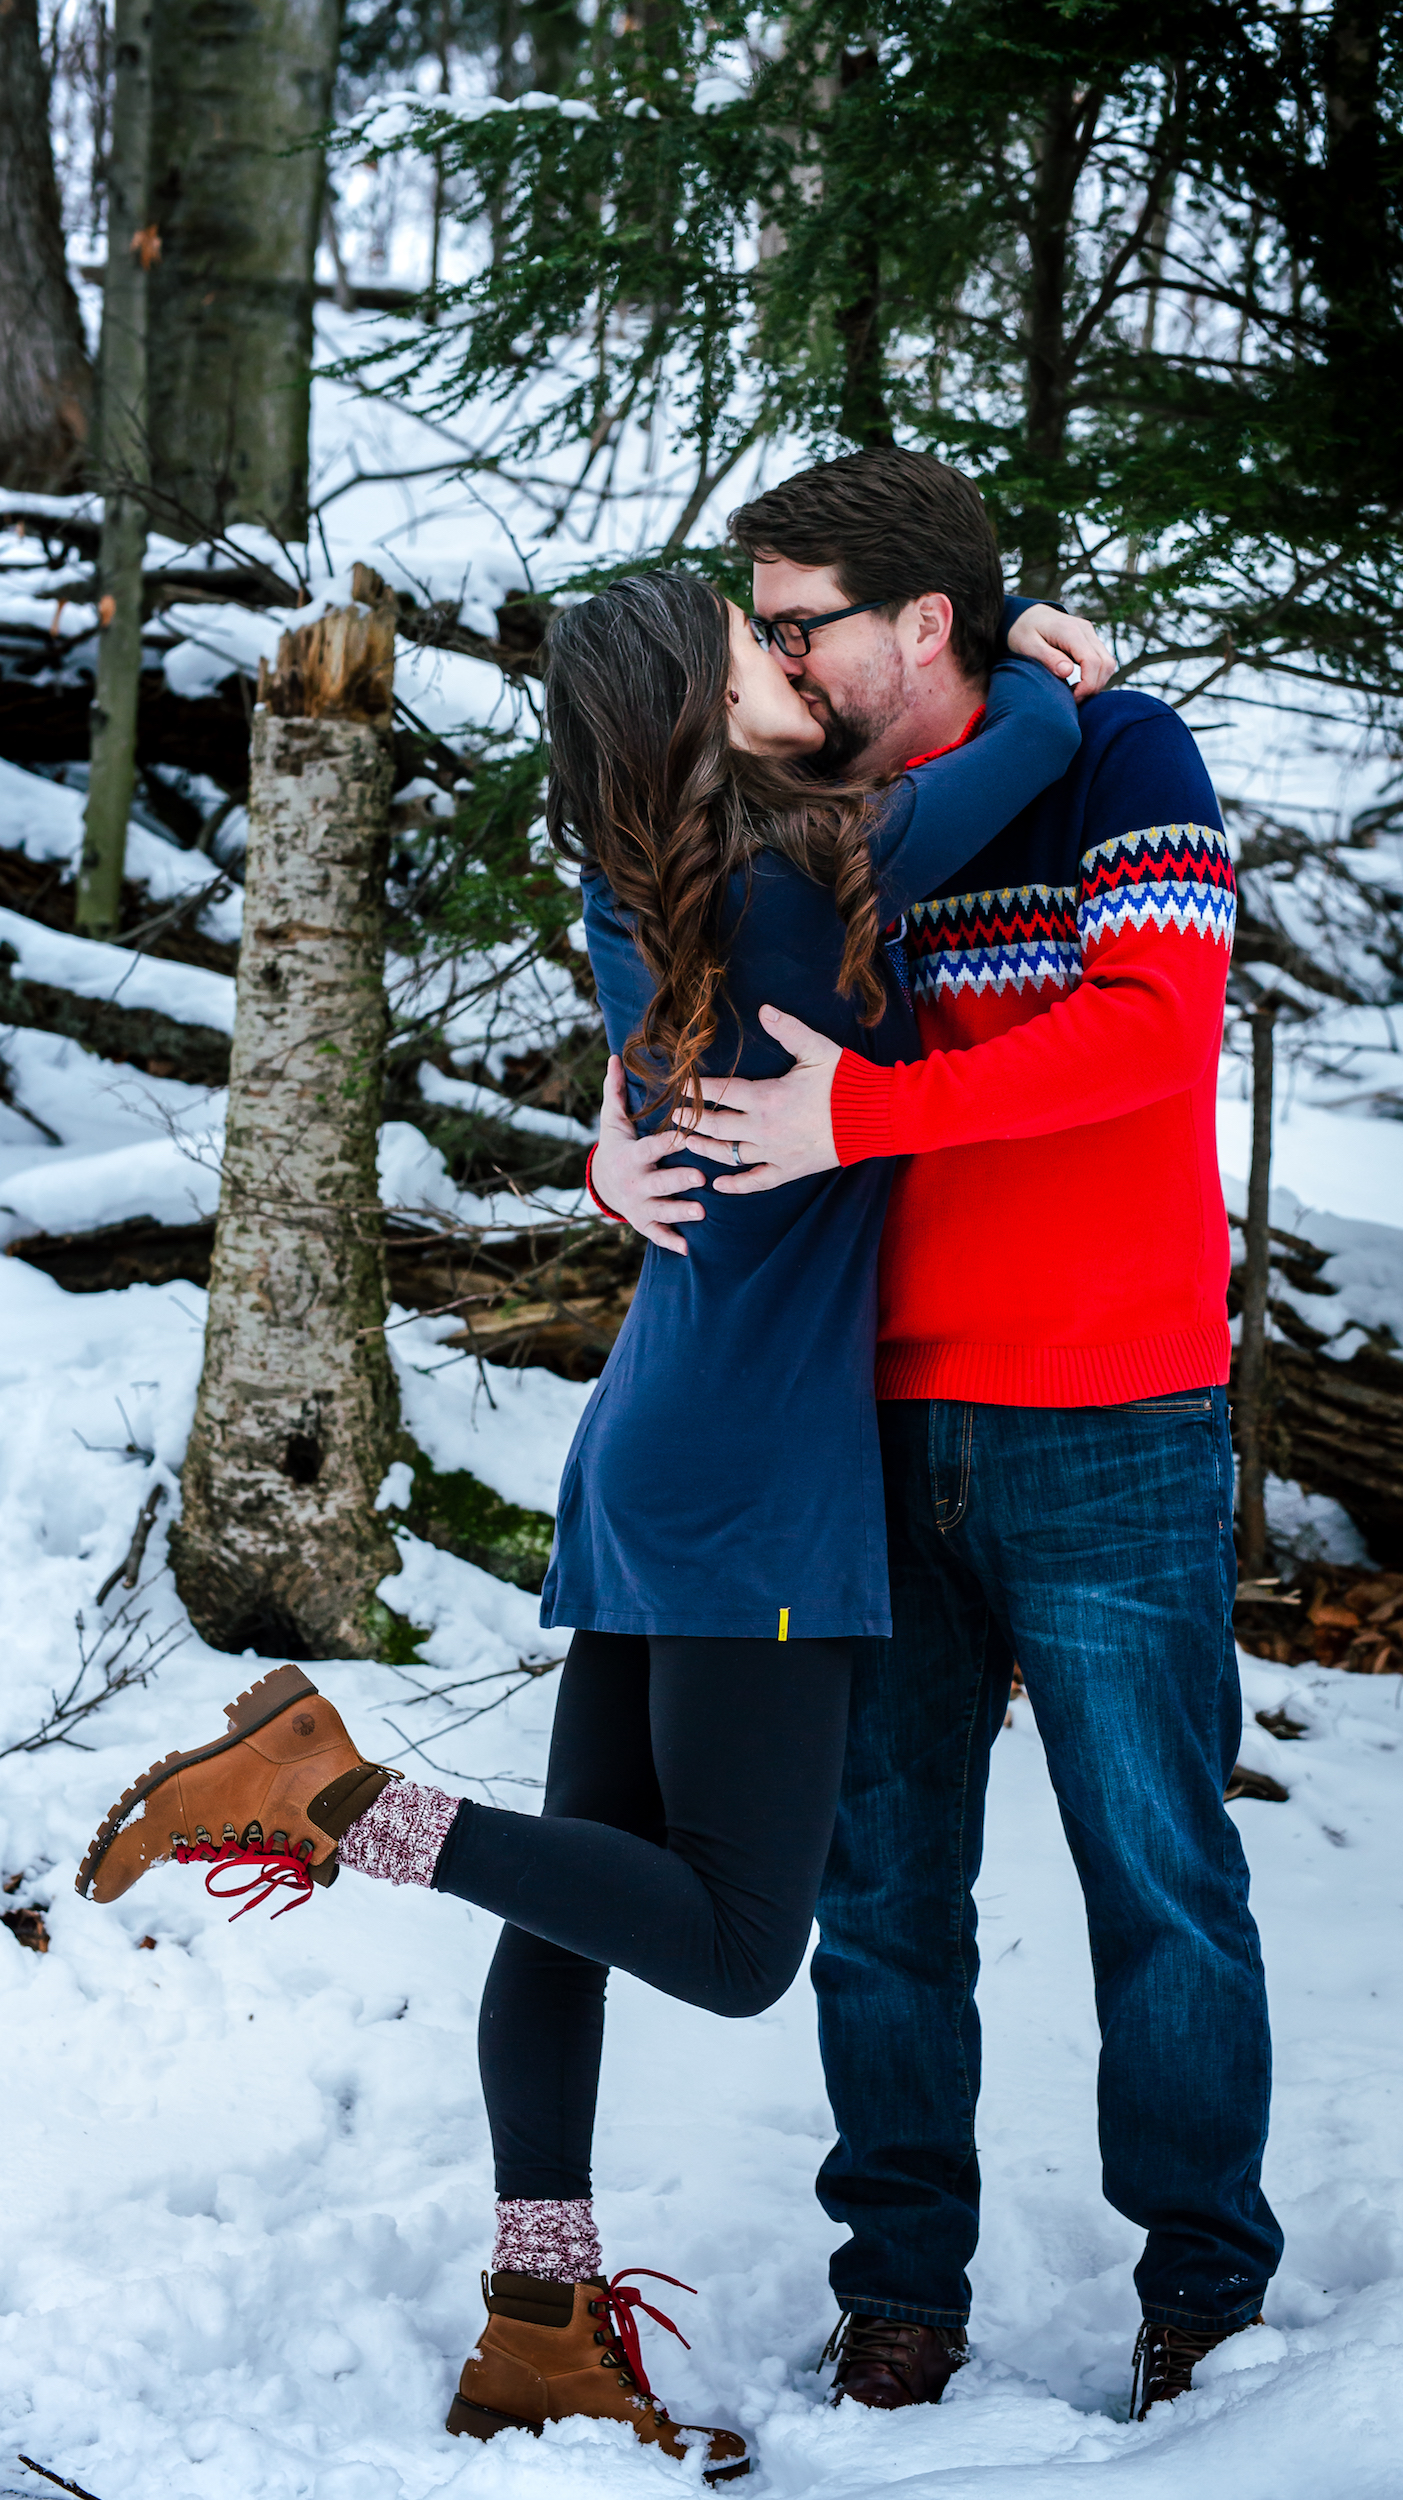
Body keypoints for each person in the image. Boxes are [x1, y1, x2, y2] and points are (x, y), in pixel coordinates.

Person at [74, 565, 1087, 2480]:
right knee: (726, 1941)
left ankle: (538, 2325)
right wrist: (1018, 632)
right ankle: (330, 1800)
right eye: (752, 650)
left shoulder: (656, 901)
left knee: (577, 1883)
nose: (792, 664)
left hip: (659, 1439)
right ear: (690, 716)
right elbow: (1015, 743)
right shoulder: (806, 878)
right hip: (757, 1475)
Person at [591, 448, 1283, 2424]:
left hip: (1111, 1412)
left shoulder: (1118, 757)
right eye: (765, 629)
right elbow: (686, 999)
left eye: (802, 619)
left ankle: (1208, 2288)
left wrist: (864, 1114)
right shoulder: (810, 818)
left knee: (1160, 1867)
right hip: (862, 1431)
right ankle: (899, 2284)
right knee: (879, 1888)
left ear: (923, 623)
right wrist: (614, 1133)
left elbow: (1156, 1026)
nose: (781, 655)